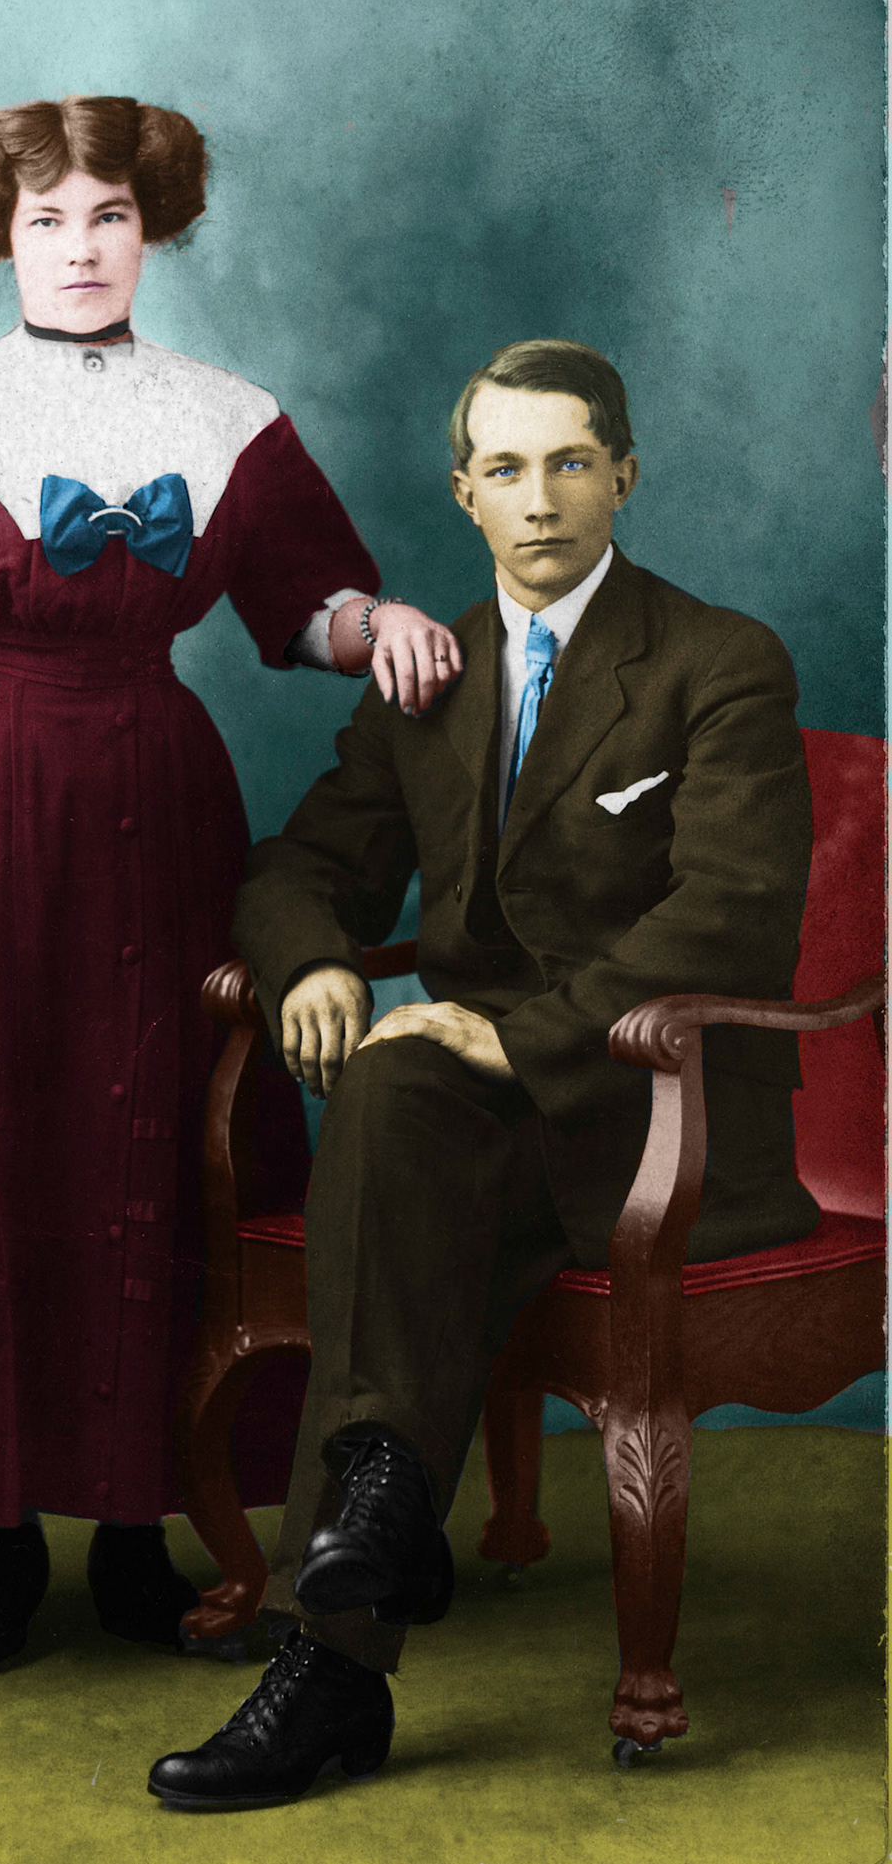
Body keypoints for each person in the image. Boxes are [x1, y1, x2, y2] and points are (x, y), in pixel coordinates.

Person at [0, 95, 464, 1673]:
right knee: (8, 1143)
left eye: (111, 216)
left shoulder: (232, 415)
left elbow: (305, 604)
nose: (81, 248)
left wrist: (385, 620)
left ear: (155, 230)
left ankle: (144, 1525)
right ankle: (4, 1541)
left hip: (164, 810)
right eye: (49, 220)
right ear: (0, 236)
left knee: (155, 1144)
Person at [148, 337, 817, 1808]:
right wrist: (315, 964)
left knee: (410, 1092)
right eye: (506, 468)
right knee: (392, 1081)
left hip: (658, 1113)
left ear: (625, 474)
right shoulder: (430, 678)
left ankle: (337, 1642)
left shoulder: (720, 660)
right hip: (472, 1117)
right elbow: (298, 865)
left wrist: (513, 1034)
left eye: (571, 462)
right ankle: (371, 1555)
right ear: (464, 493)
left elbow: (731, 915)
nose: (541, 497)